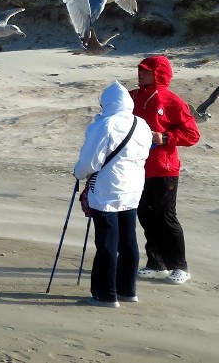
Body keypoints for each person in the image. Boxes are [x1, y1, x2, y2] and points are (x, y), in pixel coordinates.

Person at [74, 81, 153, 308]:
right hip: (133, 189)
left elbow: (90, 161)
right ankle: (127, 290)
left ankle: (105, 295)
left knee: (107, 243)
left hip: (107, 190)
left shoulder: (105, 124)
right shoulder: (142, 124)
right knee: (128, 241)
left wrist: (78, 173)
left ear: (107, 103)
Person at [130, 55, 201, 285]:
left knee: (165, 215)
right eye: (140, 70)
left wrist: (166, 137)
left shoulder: (172, 101)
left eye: (146, 71)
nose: (141, 74)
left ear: (159, 73)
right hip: (138, 167)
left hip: (165, 168)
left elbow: (192, 135)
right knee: (144, 213)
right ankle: (156, 261)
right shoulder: (133, 97)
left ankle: (180, 266)